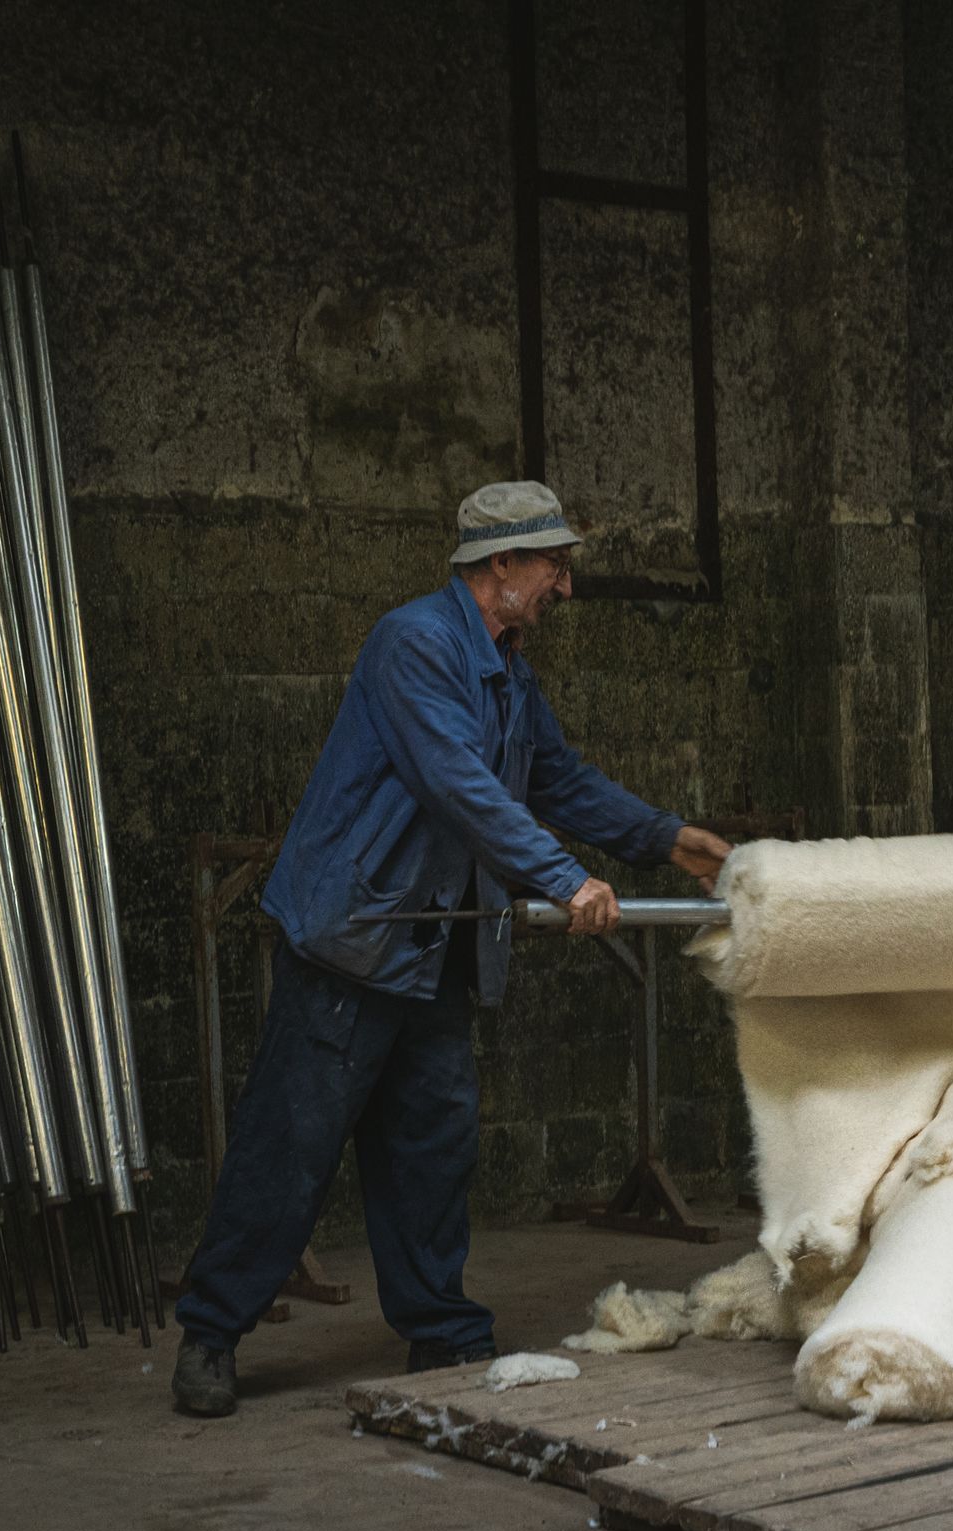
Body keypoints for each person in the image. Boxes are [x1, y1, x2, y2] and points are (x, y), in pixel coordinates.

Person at [171, 481, 730, 1415]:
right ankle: (211, 1331)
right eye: (553, 565)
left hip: (431, 949)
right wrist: (564, 879)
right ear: (499, 565)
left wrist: (671, 841)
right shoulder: (415, 644)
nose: (564, 585)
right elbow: (459, 787)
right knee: (291, 1147)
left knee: (433, 1148)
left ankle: (441, 1333)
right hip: (354, 941)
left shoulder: (507, 666)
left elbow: (556, 778)